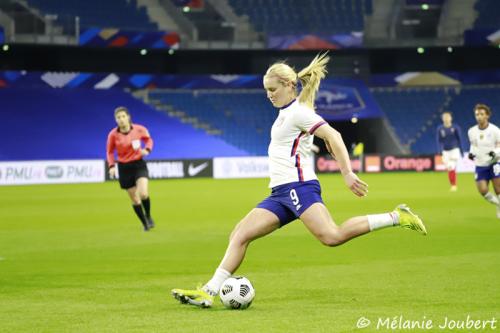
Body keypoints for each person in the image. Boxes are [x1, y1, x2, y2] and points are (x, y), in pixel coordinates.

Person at [171, 53, 427, 308]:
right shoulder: (287, 113)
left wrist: (346, 172)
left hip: (298, 188)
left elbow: (334, 135)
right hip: (279, 194)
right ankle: (209, 292)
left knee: (332, 236)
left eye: (272, 89)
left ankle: (396, 216)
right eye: (266, 90)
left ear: (289, 86)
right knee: (239, 234)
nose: (269, 94)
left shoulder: (298, 113)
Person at [106, 106, 155, 231]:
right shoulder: (113, 135)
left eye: (123, 116)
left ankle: (148, 216)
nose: (121, 119)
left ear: (128, 117)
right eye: (118, 117)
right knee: (135, 199)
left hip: (138, 164)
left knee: (143, 193)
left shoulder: (139, 129)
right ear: (115, 120)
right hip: (124, 168)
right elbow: (110, 152)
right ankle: (145, 224)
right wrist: (111, 166)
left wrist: (147, 150)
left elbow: (149, 140)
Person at [467, 103, 500, 218]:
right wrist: (471, 153)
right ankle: (499, 205)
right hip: (480, 164)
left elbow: (499, 145)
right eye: (477, 114)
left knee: (498, 188)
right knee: (483, 190)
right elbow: (473, 145)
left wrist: (495, 153)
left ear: (487, 116)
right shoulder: (471, 131)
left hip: (494, 162)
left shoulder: (495, 130)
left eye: (481, 114)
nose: (479, 116)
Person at [436, 111, 464, 191]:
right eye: (444, 117)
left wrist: (461, 151)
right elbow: (438, 140)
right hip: (445, 152)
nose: (446, 119)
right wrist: (439, 151)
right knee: (449, 168)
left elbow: (460, 140)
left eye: (447, 117)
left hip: (454, 150)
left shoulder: (455, 127)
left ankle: (454, 185)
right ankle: (453, 184)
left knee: (451, 166)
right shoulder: (440, 128)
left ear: (451, 118)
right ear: (442, 119)